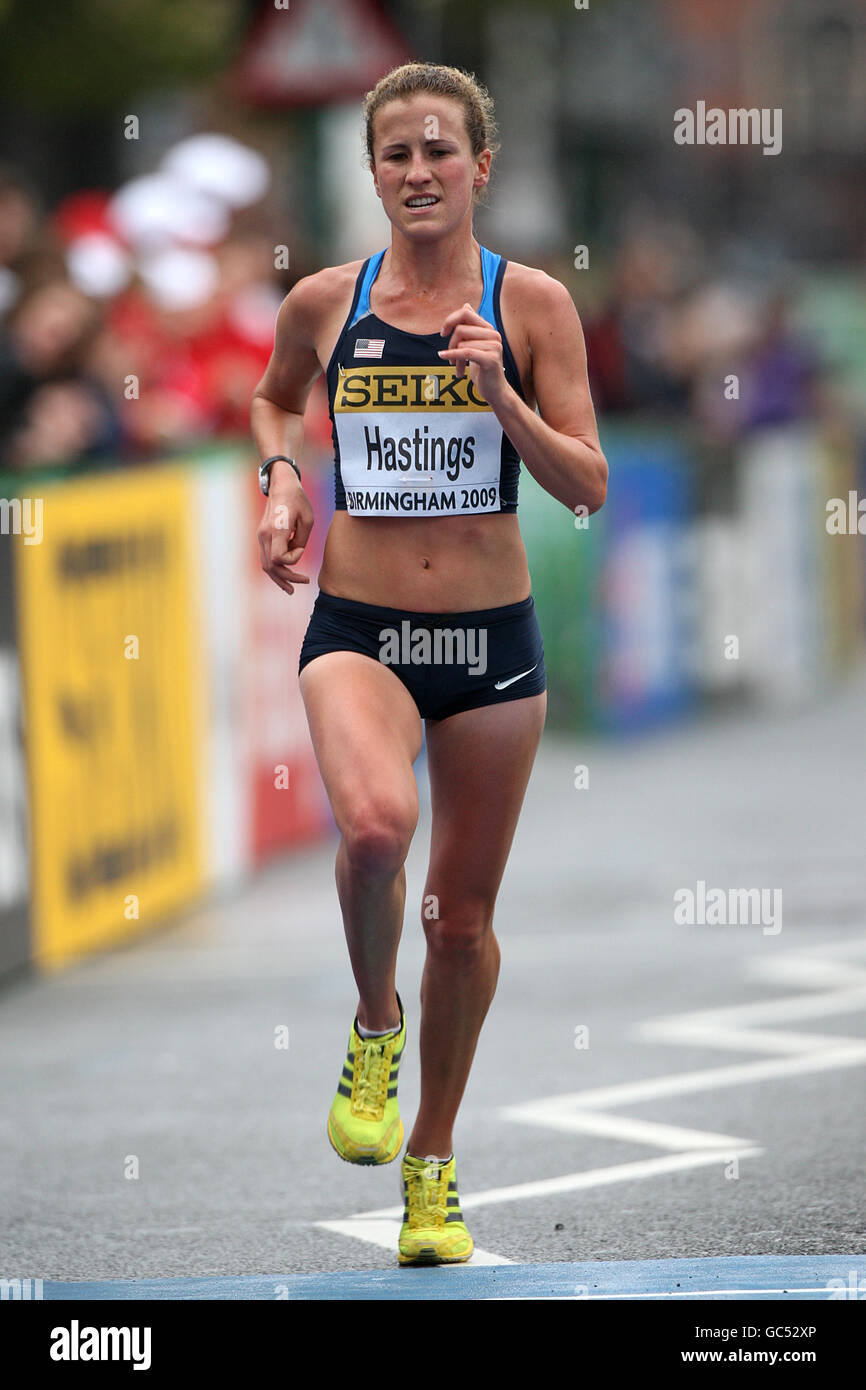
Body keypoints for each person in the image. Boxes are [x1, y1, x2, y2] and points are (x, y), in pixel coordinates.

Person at [251, 62, 607, 1266]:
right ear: (371, 173)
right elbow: (270, 400)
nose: (417, 172)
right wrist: (284, 480)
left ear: (480, 168)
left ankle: (433, 1164)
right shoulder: (322, 300)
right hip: (360, 630)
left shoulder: (532, 306)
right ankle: (371, 1020)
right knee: (372, 830)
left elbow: (586, 484)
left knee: (458, 922)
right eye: (395, 154)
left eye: (438, 151)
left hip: (489, 647)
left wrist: (500, 394)